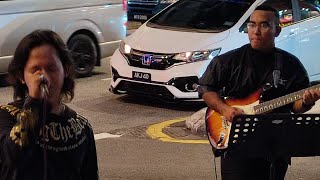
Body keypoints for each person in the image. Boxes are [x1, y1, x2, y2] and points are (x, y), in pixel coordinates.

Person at [198, 5, 320, 180]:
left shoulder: (290, 64)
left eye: (264, 25)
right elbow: (205, 88)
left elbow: (296, 107)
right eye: (252, 25)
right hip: (236, 144)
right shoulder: (229, 60)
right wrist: (226, 110)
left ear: (277, 30)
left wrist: (307, 101)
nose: (256, 31)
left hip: (276, 145)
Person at [0, 29, 99, 180]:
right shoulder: (5, 117)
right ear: (21, 76)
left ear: (65, 70)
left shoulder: (81, 128)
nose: (44, 76)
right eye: (35, 70)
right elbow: (15, 159)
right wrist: (34, 102)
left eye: (51, 68)